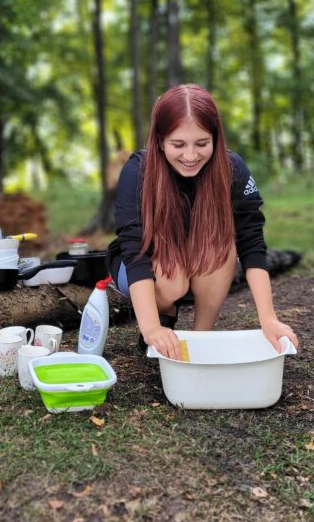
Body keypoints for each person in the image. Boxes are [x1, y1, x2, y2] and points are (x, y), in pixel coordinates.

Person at [107, 84, 298, 360]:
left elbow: (252, 244)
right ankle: (164, 316)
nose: (190, 156)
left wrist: (268, 319)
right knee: (172, 281)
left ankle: (200, 340)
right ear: (160, 140)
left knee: (223, 248)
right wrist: (150, 328)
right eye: (178, 144)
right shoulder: (138, 171)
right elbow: (135, 252)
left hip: (201, 259)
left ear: (216, 138)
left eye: (201, 143)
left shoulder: (232, 170)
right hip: (146, 265)